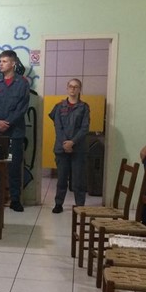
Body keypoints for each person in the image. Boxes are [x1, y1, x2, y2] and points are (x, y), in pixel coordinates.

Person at [0, 49, 30, 212]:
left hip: (14, 132)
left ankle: (15, 200)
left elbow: (22, 107)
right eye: (0, 61)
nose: (0, 64)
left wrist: (7, 123)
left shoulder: (22, 83)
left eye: (4, 61)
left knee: (14, 167)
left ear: (13, 63)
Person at [49, 78, 90, 214]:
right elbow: (58, 127)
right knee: (61, 178)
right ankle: (58, 204)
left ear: (79, 89)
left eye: (76, 86)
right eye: (71, 86)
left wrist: (72, 142)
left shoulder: (84, 107)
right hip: (61, 148)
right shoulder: (59, 107)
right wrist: (65, 143)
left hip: (78, 149)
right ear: (67, 88)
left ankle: (80, 205)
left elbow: (84, 128)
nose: (73, 89)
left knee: (79, 180)